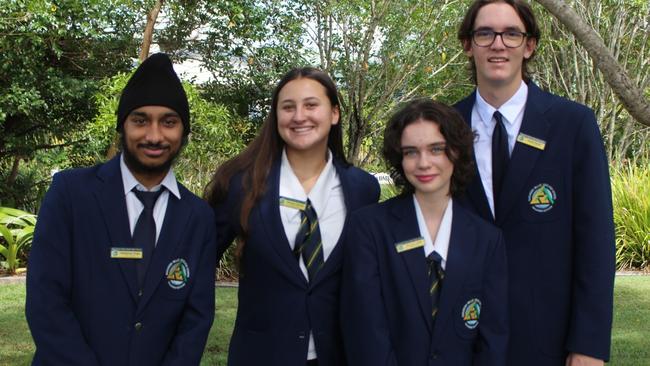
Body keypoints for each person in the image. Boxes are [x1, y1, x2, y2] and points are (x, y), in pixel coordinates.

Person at [25, 53, 217, 366]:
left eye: (168, 122)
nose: (154, 136)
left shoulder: (198, 218)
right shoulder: (71, 195)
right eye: (140, 120)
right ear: (122, 126)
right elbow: (45, 301)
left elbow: (196, 321)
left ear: (184, 132)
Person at [453, 1, 616, 365]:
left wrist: (588, 345)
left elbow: (596, 243)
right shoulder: (444, 128)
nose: (498, 44)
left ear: (529, 46)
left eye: (511, 33)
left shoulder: (572, 125)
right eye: (485, 33)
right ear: (468, 44)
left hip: (548, 340)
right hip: (458, 340)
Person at [205, 67, 380, 366]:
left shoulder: (363, 189)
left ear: (334, 113)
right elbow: (196, 263)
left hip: (339, 356)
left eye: (311, 105)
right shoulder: (240, 184)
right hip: (261, 356)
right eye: (288, 107)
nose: (299, 116)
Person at [341, 98, 508, 365]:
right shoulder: (369, 228)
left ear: (456, 152)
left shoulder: (487, 240)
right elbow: (365, 330)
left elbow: (492, 338)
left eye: (436, 149)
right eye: (410, 152)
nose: (423, 163)